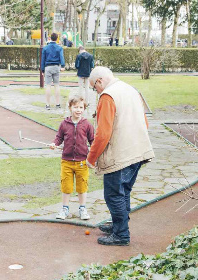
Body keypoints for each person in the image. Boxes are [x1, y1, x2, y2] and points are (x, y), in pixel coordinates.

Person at [86, 67, 154, 246]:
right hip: (139, 150)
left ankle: (121, 235)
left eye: (94, 87)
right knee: (124, 191)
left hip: (121, 154)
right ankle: (118, 225)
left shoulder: (108, 96)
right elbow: (144, 122)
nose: (96, 91)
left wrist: (91, 158)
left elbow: (103, 134)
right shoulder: (130, 89)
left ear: (99, 81)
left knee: (113, 194)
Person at [50, 95, 94, 220]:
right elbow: (59, 137)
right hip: (67, 161)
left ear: (84, 109)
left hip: (82, 162)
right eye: (75, 107)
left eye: (81, 107)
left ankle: (82, 209)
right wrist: (55, 144)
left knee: (82, 186)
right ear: (70, 108)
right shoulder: (64, 124)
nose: (78, 110)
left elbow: (92, 140)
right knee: (66, 186)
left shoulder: (87, 125)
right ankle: (65, 209)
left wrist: (93, 156)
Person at [41, 32, 65, 110]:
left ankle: (47, 104)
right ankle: (57, 104)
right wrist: (63, 66)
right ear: (57, 39)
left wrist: (42, 69)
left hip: (48, 67)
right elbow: (61, 57)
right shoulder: (59, 48)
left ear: (50, 38)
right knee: (56, 85)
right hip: (56, 67)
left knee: (48, 85)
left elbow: (43, 60)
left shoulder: (45, 48)